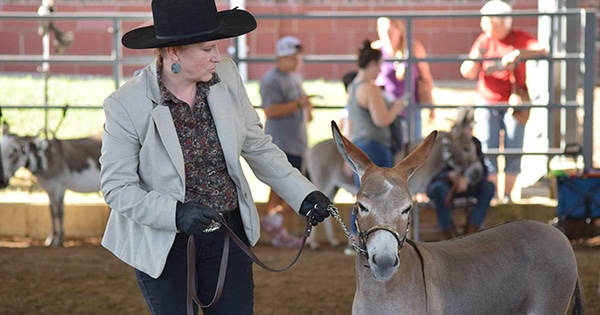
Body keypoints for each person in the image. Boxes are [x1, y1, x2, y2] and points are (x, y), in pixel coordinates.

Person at [98, 1, 332, 314]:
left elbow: (256, 144)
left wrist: (302, 193)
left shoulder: (226, 76)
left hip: (228, 234)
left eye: (217, 46)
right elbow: (116, 187)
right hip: (163, 243)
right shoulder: (126, 104)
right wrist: (175, 213)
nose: (217, 57)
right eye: (207, 48)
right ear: (175, 52)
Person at [459, 0, 548, 203]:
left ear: (497, 22)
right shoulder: (483, 41)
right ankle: (491, 196)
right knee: (487, 148)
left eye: (486, 20)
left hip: (513, 103)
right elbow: (467, 72)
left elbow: (542, 49)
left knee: (513, 147)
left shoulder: (518, 37)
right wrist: (476, 59)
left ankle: (507, 196)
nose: (482, 24)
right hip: (487, 100)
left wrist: (517, 54)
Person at [343, 39, 406, 255]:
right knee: (381, 196)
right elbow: (381, 120)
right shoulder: (370, 89)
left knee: (364, 195)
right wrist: (396, 108)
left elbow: (350, 122)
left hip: (359, 147)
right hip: (375, 146)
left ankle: (354, 236)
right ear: (371, 64)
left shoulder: (353, 87)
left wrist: (346, 155)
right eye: (379, 65)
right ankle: (380, 235)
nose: (380, 70)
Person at [258, 36, 314, 248]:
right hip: (281, 141)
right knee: (285, 185)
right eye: (291, 59)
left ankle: (275, 225)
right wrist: (299, 105)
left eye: (297, 59)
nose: (296, 63)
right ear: (280, 58)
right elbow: (270, 111)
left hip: (295, 141)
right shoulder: (271, 80)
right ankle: (274, 223)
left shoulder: (294, 77)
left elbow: (302, 100)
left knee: (283, 186)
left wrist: (305, 108)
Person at [426, 120, 496, 240]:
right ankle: (447, 234)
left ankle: (471, 230)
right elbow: (431, 171)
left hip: (468, 186)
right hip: (444, 184)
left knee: (489, 187)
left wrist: (468, 179)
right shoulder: (443, 144)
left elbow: (482, 170)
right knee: (439, 190)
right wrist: (449, 175)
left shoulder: (474, 144)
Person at [372, 17, 435, 144]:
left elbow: (426, 77)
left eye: (390, 30)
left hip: (410, 106)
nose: (387, 34)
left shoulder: (414, 48)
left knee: (413, 146)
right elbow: (368, 78)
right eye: (383, 30)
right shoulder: (376, 49)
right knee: (390, 144)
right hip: (386, 107)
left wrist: (431, 105)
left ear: (399, 29)